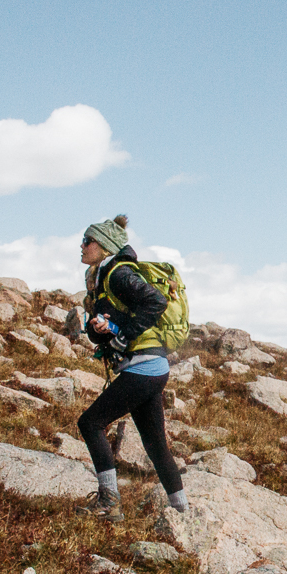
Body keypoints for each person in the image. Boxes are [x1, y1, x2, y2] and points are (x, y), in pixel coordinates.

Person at [72, 215, 187, 520]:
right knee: (155, 445)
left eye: (88, 241)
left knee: (90, 423)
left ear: (105, 245)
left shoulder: (119, 274)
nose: (82, 246)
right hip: (151, 367)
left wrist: (123, 335)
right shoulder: (99, 279)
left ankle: (109, 502)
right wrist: (101, 328)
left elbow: (157, 301)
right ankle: (182, 513)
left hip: (143, 366)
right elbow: (99, 333)